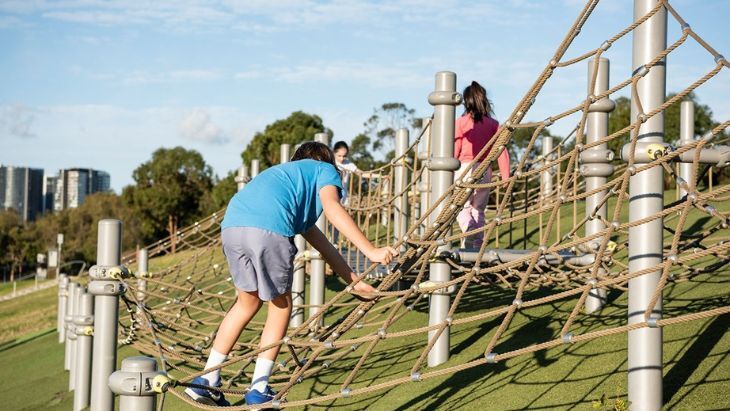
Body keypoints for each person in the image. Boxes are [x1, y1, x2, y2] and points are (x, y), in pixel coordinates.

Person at [185, 142, 398, 407]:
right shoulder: (324, 169)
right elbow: (333, 208)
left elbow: (323, 244)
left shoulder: (286, 182)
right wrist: (371, 250)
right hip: (268, 228)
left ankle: (206, 379)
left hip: (232, 227)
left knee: (246, 303)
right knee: (281, 306)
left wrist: (353, 281)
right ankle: (259, 387)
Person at [455, 81, 510, 249]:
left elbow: (455, 149)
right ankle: (476, 244)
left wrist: (449, 170)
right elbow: (501, 151)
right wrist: (506, 176)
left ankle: (469, 229)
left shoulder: (460, 122)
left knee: (460, 207)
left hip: (464, 168)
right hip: (485, 170)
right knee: (478, 209)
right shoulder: (493, 124)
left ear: (466, 102)